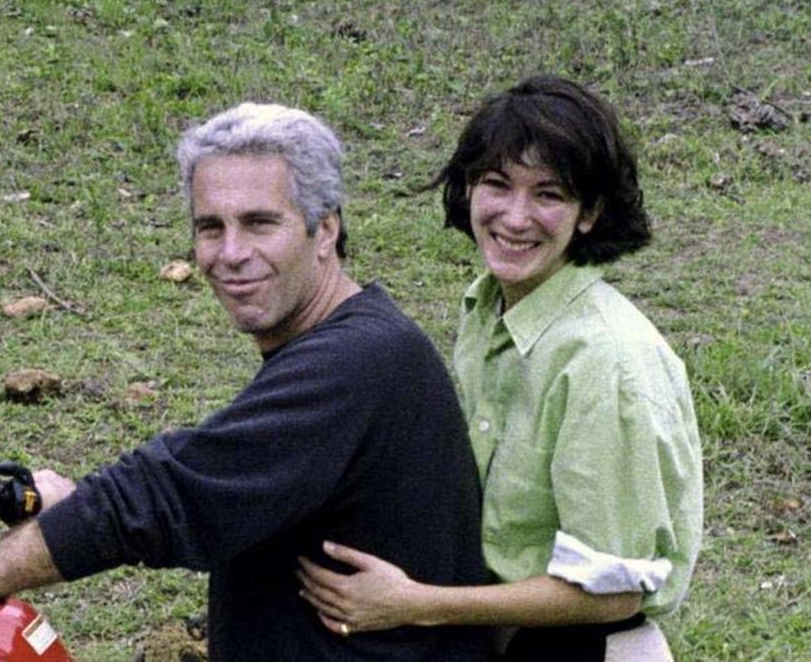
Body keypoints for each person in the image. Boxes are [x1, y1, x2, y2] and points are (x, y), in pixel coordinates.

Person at [0, 103, 490, 660]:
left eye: (259, 223)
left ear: (324, 229)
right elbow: (220, 489)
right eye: (210, 227)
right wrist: (72, 503)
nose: (230, 253)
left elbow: (166, 494)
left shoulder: (357, 361)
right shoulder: (348, 340)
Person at [297, 76, 704, 661]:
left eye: (549, 194)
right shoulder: (486, 309)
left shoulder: (604, 360)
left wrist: (417, 602)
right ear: (468, 190)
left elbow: (612, 592)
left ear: (589, 212)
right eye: (497, 184)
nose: (515, 217)